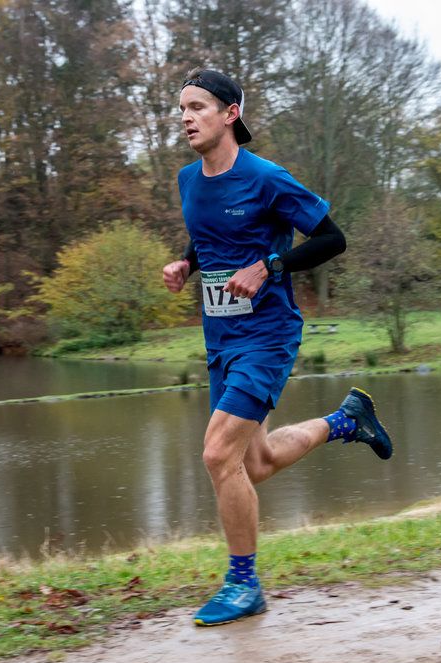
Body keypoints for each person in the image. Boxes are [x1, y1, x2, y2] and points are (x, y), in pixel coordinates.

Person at [162, 68, 394, 626]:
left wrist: (269, 266)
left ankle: (244, 584)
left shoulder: (267, 178)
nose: (187, 118)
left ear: (230, 114)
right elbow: (209, 232)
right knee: (254, 463)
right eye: (182, 109)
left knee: (218, 454)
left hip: (267, 335)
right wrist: (186, 263)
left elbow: (332, 238)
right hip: (220, 337)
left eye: (197, 107)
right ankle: (346, 421)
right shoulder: (188, 180)